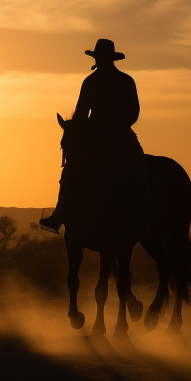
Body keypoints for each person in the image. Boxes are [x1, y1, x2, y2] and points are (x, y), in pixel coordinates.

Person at [39, 38, 151, 234]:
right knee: (70, 171)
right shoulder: (90, 82)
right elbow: (82, 113)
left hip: (121, 135)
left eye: (102, 57)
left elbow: (133, 112)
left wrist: (113, 125)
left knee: (137, 168)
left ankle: (142, 216)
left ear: (108, 59)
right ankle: (60, 213)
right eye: (98, 57)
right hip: (95, 137)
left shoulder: (125, 81)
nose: (100, 60)